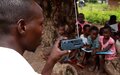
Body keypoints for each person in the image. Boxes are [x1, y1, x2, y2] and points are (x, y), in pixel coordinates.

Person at [0, 0, 70, 75]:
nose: (43, 31)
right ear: (22, 27)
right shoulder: (19, 70)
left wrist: (51, 61)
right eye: (41, 24)